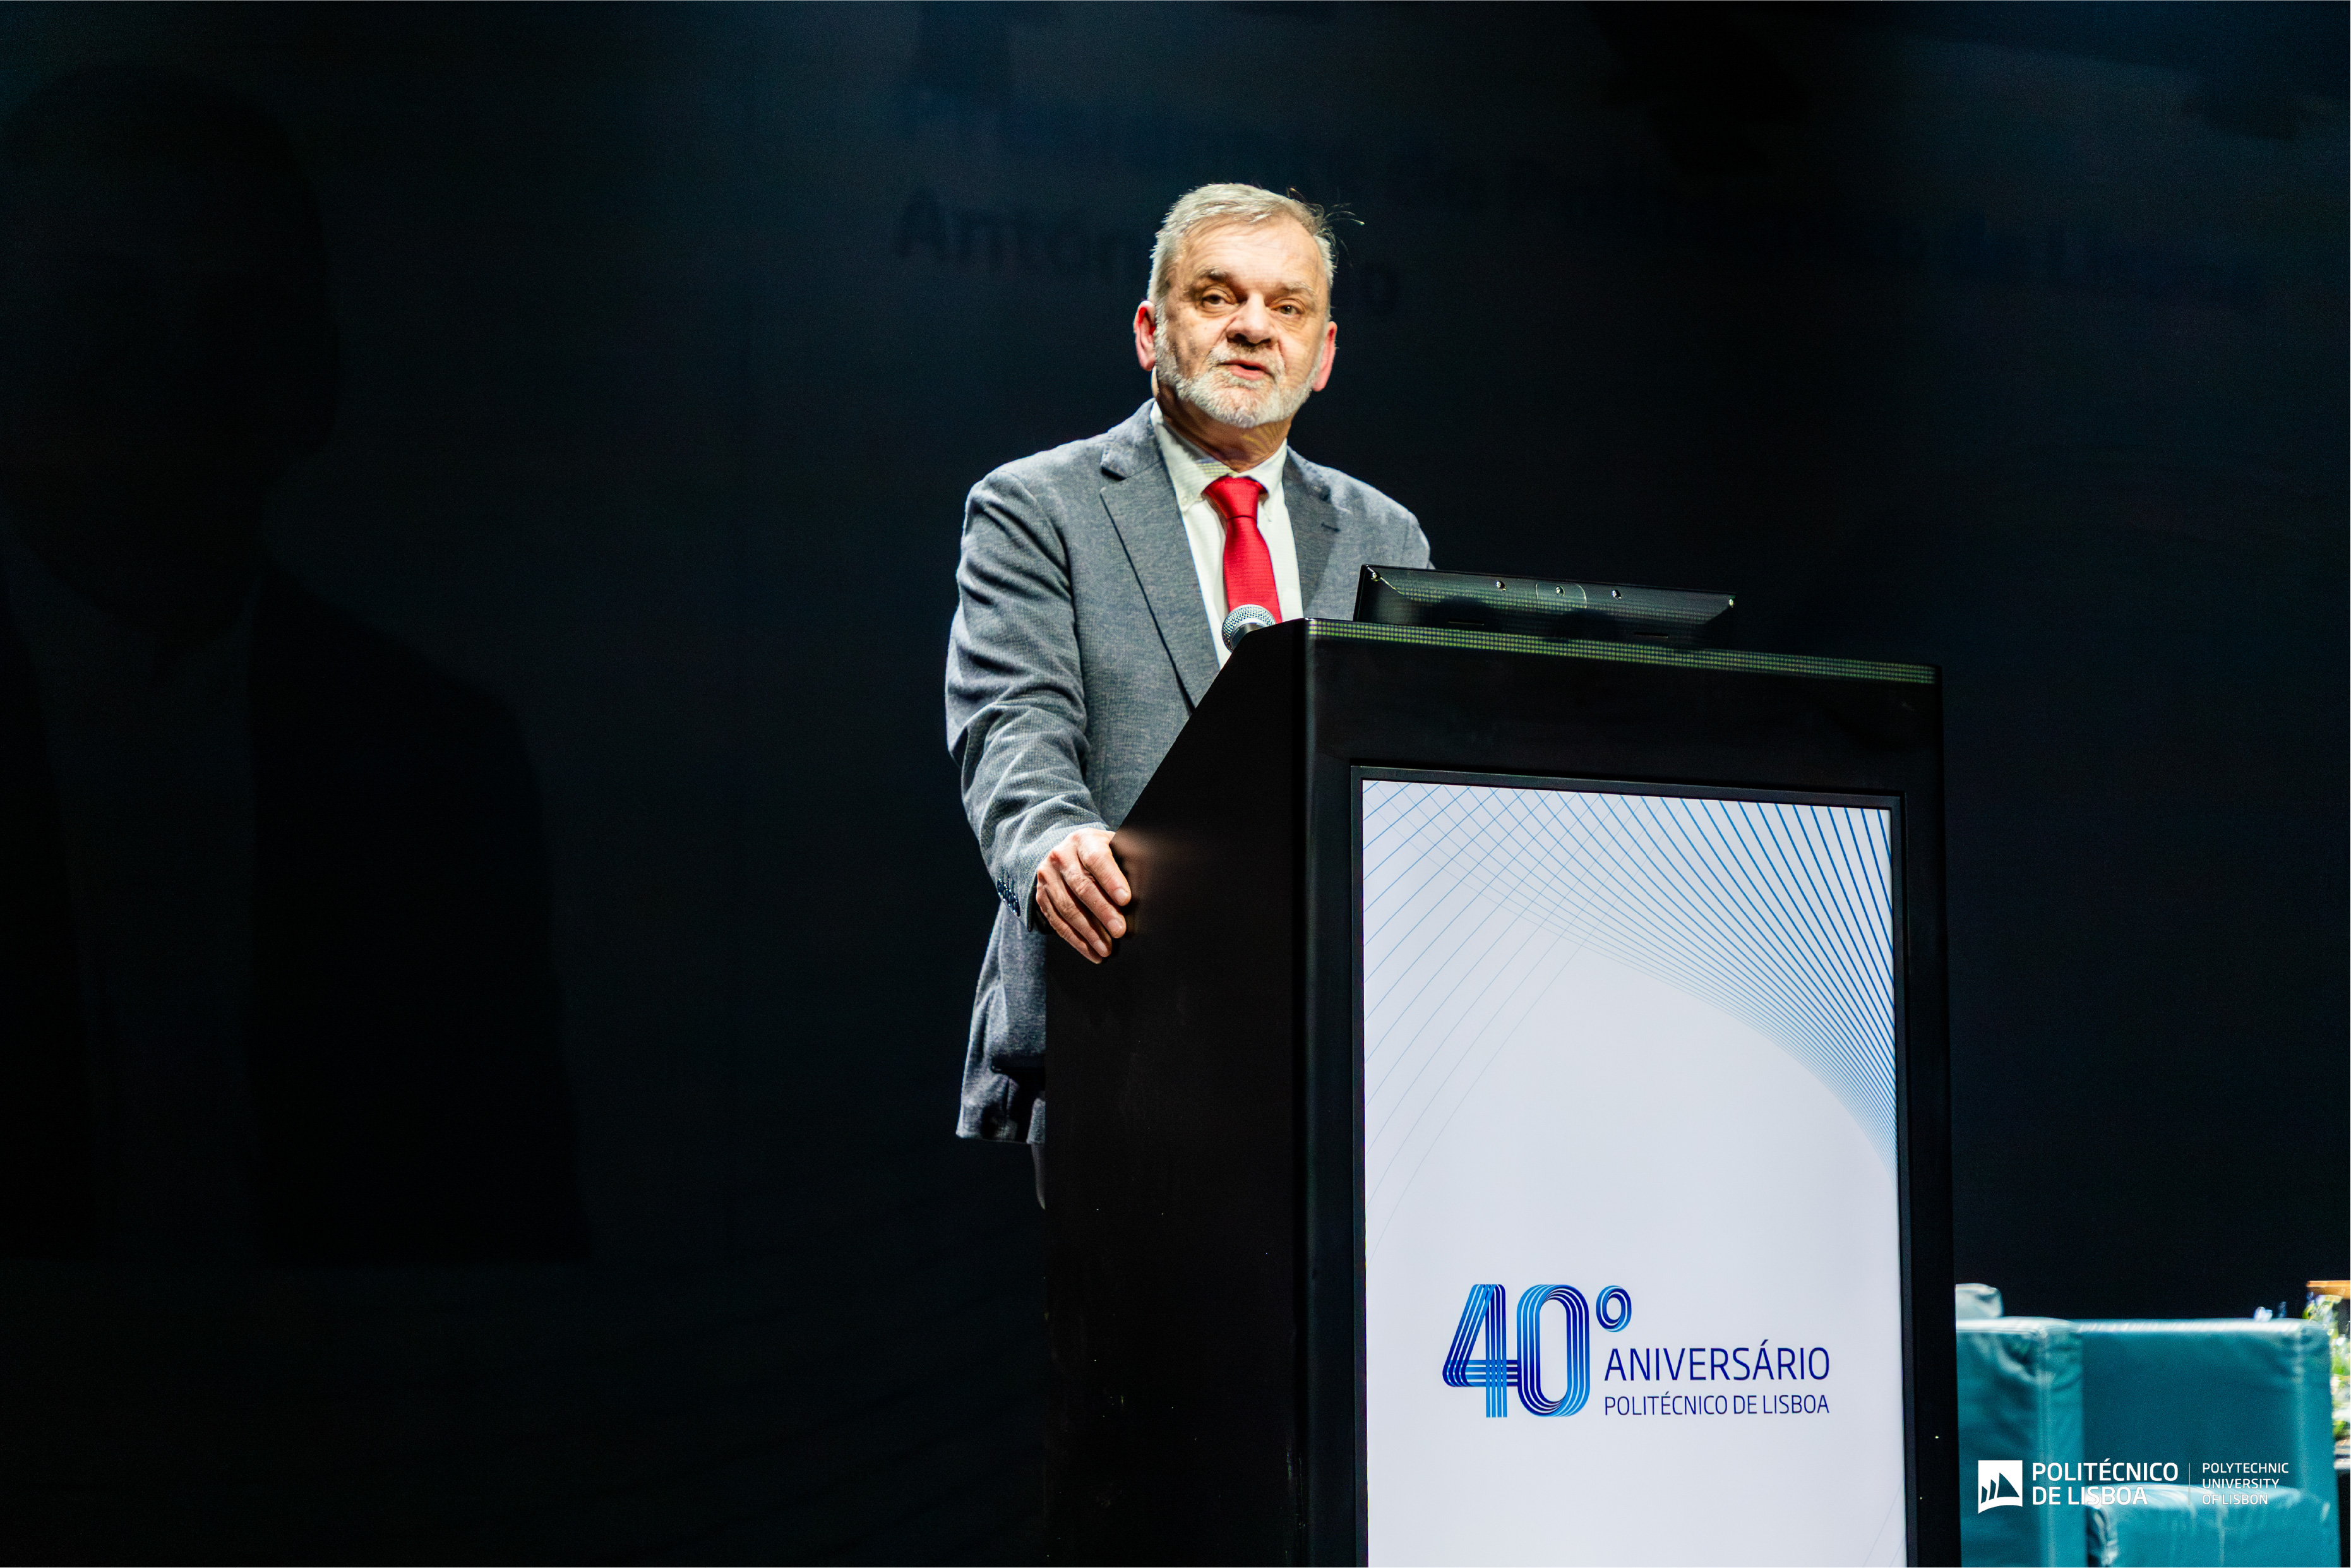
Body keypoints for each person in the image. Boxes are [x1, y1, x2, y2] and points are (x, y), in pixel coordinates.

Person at [0, 69, 585, 1263]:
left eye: (237, 320)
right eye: (107, 306)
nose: (174, 374)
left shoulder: (436, 770)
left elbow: (509, 1233)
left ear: (314, 376)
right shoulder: (433, 757)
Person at [945, 183, 1432, 1202]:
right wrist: (1048, 846)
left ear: (1325, 352)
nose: (1254, 326)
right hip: (1118, 1012)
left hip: (1338, 1038)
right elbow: (1012, 724)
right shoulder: (1041, 507)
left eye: (1287, 307)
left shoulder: (1386, 537)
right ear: (1149, 329)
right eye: (1218, 297)